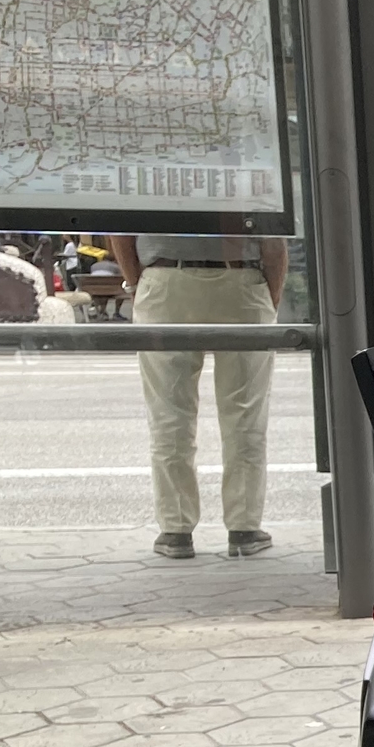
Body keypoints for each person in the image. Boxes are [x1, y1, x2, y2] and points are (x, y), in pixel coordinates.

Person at [109, 232, 286, 560]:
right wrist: (269, 295)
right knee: (245, 414)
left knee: (168, 413)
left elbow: (121, 233)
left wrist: (137, 285)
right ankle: (244, 527)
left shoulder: (143, 179)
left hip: (165, 280)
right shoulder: (247, 178)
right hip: (240, 278)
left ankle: (175, 529)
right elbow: (273, 243)